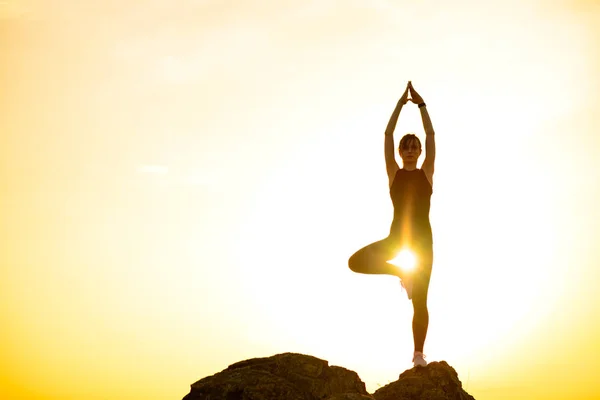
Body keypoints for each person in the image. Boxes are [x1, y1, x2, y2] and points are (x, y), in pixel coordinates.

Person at [348, 81, 436, 368]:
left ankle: (418, 355)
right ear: (400, 152)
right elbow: (387, 133)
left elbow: (431, 133)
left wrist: (421, 105)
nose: (410, 151)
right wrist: (400, 104)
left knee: (420, 301)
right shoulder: (394, 173)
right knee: (356, 262)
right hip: (396, 239)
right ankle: (401, 273)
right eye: (406, 148)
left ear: (420, 152)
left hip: (423, 242)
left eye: (415, 147)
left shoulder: (426, 173)